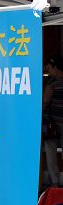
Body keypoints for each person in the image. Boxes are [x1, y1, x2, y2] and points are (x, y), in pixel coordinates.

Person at [43, 56, 63, 187]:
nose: (47, 70)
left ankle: (55, 182)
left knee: (51, 152)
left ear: (55, 67)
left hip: (53, 125)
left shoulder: (52, 83)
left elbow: (45, 101)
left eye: (49, 68)